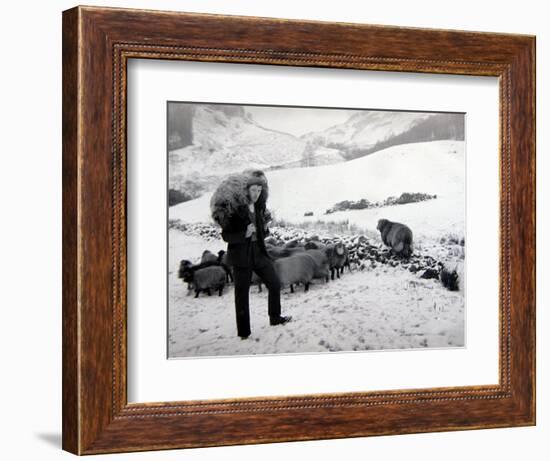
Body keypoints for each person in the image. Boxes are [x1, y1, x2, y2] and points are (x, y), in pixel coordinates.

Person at [211, 170, 291, 339]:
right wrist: (244, 234)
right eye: (253, 190)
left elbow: (261, 231)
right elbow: (226, 235)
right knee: (241, 295)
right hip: (241, 257)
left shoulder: (260, 208)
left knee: (275, 284)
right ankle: (244, 332)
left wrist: (264, 229)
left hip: (259, 253)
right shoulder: (236, 210)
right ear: (246, 190)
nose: (256, 194)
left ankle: (275, 318)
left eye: (259, 190)